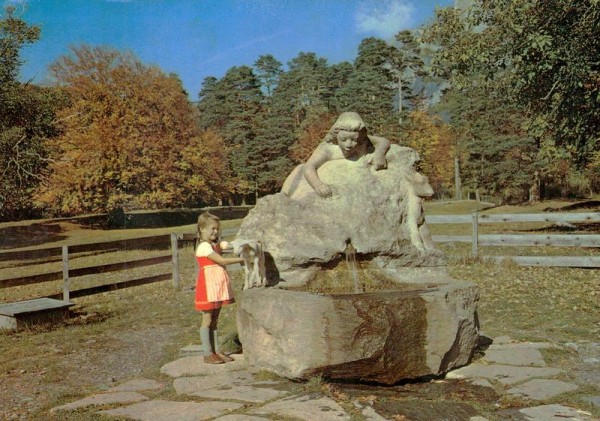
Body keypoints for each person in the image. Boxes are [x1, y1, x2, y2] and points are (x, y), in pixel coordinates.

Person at [283, 112, 391, 198]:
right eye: (343, 139)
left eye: (354, 140)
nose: (348, 145)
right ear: (335, 136)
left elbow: (383, 141)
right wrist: (318, 185)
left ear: (360, 137)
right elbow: (309, 167)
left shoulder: (363, 140)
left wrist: (379, 154)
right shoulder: (327, 148)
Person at [194, 212, 244, 364]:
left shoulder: (215, 245)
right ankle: (207, 353)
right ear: (202, 229)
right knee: (207, 319)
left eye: (217, 229)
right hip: (208, 286)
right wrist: (243, 258)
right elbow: (221, 260)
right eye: (212, 229)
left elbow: (227, 246)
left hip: (216, 285)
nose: (215, 232)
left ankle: (216, 351)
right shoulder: (203, 246)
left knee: (215, 319)